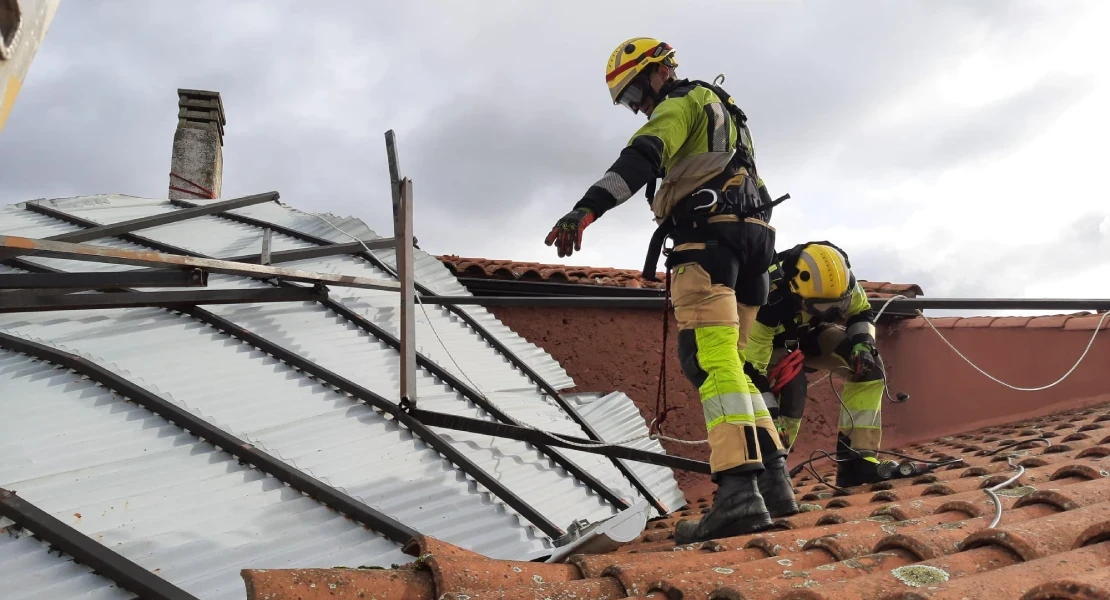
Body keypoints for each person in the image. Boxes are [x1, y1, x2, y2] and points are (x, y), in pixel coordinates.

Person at [544, 37, 797, 544]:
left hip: (709, 244)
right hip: (754, 249)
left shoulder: (681, 103)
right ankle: (773, 482)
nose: (637, 107)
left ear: (657, 73)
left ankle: (737, 494)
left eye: (635, 94)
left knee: (710, 362)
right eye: (628, 102)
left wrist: (585, 209)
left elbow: (642, 157)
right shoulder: (726, 111)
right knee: (735, 365)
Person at [741, 241, 888, 488]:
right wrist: (770, 415)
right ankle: (772, 475)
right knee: (791, 393)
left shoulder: (843, 284)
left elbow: (861, 313)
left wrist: (863, 343)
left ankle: (858, 462)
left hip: (809, 333)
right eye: (822, 306)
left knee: (869, 369)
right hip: (770, 342)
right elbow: (751, 370)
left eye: (838, 305)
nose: (832, 312)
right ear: (796, 291)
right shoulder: (768, 300)